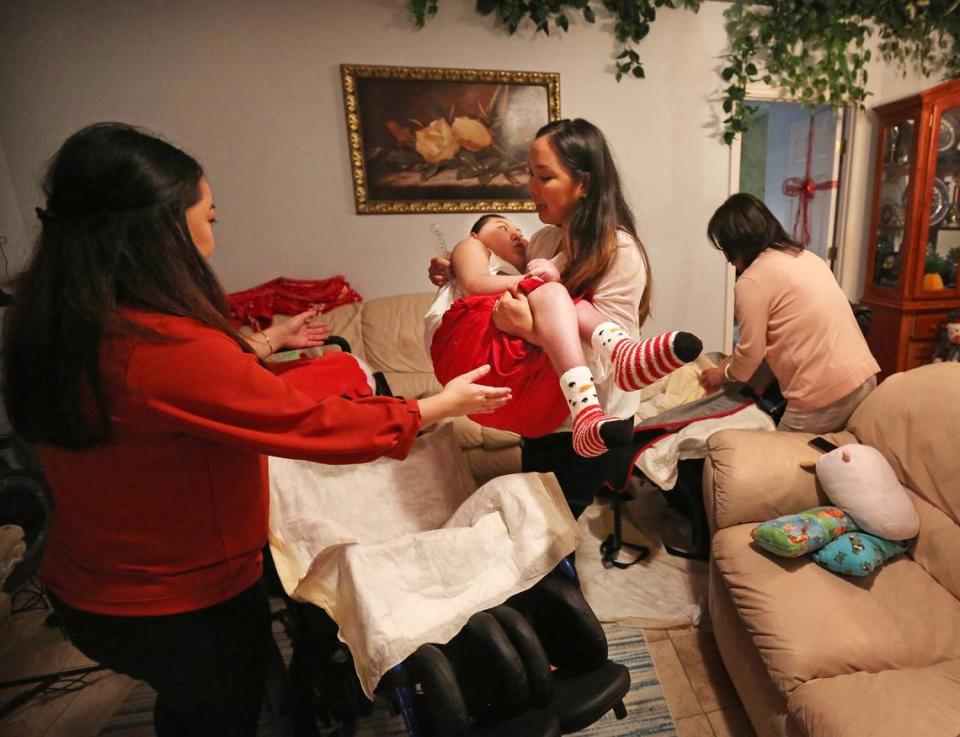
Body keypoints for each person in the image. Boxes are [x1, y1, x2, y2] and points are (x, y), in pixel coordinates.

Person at [1, 122, 510, 737]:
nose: (215, 233)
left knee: (199, 705)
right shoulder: (162, 348)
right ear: (159, 229)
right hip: (177, 604)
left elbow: (185, 391)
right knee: (223, 712)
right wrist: (435, 406)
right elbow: (305, 422)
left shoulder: (63, 322)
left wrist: (269, 338)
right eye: (210, 217)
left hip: (89, 584)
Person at [430, 118, 693, 514]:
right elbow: (518, 289)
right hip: (542, 409)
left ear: (584, 184)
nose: (531, 188)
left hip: (592, 419)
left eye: (544, 177)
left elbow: (605, 363)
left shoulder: (617, 252)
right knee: (539, 531)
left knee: (548, 540)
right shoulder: (545, 240)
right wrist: (457, 274)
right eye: (530, 175)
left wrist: (529, 330)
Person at [426, 213, 701, 457]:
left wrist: (537, 295)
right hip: (465, 340)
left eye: (519, 231)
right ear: (476, 235)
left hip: (522, 396)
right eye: (501, 227)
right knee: (556, 294)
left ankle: (620, 353)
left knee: (564, 300)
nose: (516, 234)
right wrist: (537, 282)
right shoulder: (472, 246)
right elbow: (475, 282)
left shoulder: (573, 246)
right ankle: (618, 354)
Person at [699, 193, 880, 433]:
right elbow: (774, 334)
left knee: (778, 464)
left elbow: (750, 357)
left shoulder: (752, 281)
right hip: (865, 377)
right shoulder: (807, 257)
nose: (727, 259)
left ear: (738, 244)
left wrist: (722, 376)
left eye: (726, 249)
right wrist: (731, 361)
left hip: (823, 395)